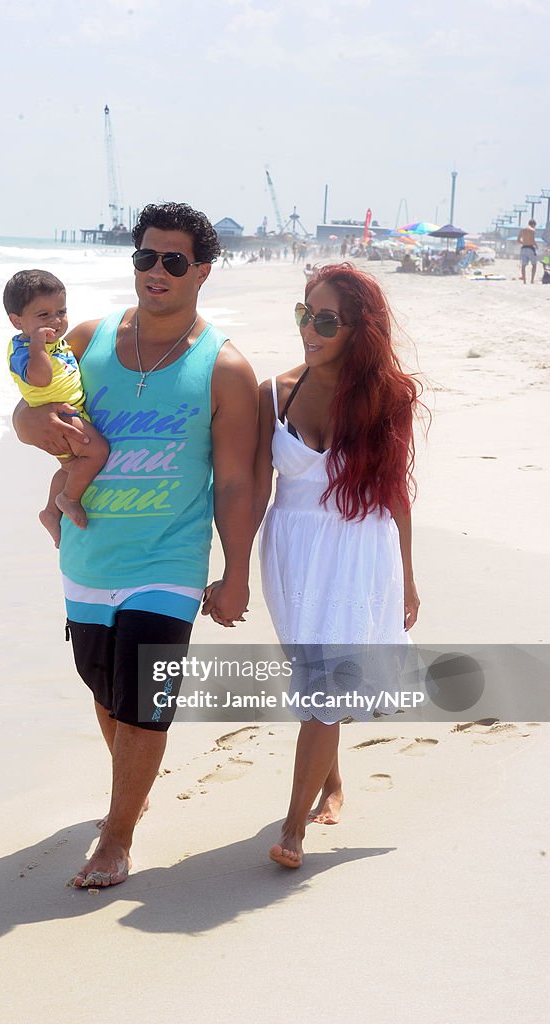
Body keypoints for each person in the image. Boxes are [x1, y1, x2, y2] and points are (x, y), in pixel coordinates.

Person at [13, 203, 258, 888]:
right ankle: (134, 788)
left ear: (201, 271)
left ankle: (116, 837)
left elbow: (236, 482)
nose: (156, 272)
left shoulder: (224, 367)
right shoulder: (87, 340)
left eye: (173, 261)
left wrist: (234, 571)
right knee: (105, 687)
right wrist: (34, 429)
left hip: (169, 560)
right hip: (90, 552)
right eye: (145, 258)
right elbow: (27, 411)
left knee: (147, 698)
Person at [254, 263, 421, 869]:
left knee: (325, 686)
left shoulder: (388, 396)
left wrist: (406, 572)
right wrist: (235, 569)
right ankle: (332, 781)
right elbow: (248, 486)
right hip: (292, 553)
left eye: (328, 319)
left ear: (360, 329)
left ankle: (292, 828)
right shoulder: (275, 391)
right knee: (316, 675)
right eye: (306, 313)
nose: (311, 328)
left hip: (358, 550)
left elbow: (396, 490)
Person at [5, 270, 110, 545]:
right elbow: (41, 379)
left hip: (71, 410)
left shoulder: (57, 343)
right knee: (97, 451)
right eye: (43, 316)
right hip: (59, 417)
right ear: (17, 321)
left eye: (61, 312)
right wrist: (38, 345)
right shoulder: (23, 350)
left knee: (68, 469)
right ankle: (68, 499)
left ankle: (51, 512)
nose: (56, 321)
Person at [517, 219, 537, 284]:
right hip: (530, 248)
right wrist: (536, 245)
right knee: (534, 265)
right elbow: (532, 240)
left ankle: (524, 281)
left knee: (523, 265)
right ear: (533, 224)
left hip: (523, 248)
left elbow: (518, 240)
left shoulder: (522, 230)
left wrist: (524, 243)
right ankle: (532, 280)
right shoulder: (532, 230)